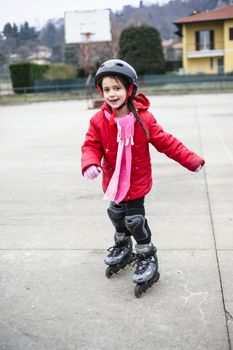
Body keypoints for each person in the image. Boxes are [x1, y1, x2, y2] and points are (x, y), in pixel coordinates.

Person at [81, 59, 205, 297]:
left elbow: (167, 142)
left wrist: (191, 160)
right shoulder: (98, 120)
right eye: (106, 89)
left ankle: (147, 255)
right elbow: (90, 145)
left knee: (135, 220)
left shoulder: (144, 119)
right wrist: (90, 163)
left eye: (116, 88)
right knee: (115, 214)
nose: (111, 94)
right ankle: (123, 246)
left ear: (129, 89)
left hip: (136, 182)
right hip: (114, 181)